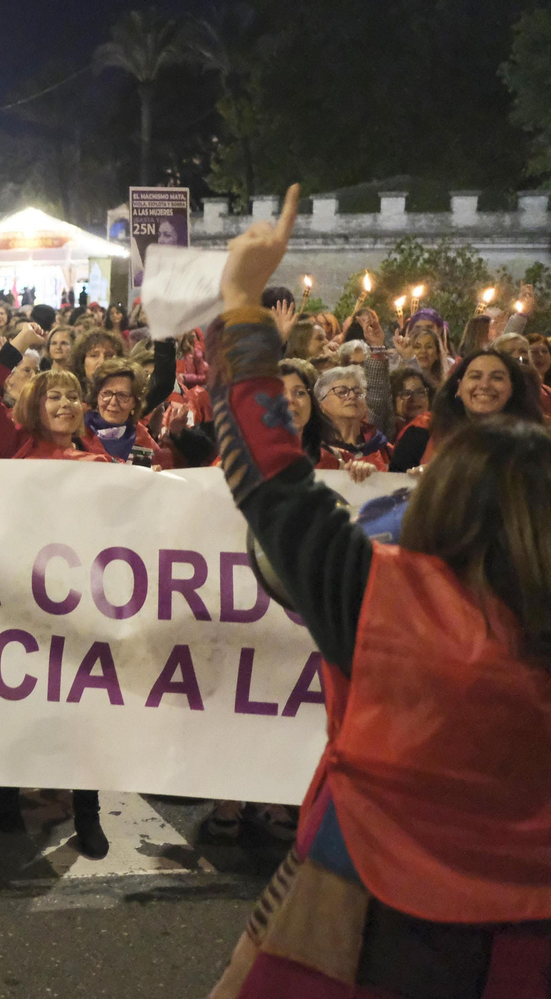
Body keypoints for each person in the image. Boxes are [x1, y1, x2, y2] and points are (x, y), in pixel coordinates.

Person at [206, 182, 551, 999]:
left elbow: (273, 484)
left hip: (365, 913)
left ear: (443, 496)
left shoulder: (385, 599)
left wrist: (243, 304)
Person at [389, 348, 544, 472]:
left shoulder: (533, 443)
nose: (484, 385)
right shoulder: (422, 432)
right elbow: (391, 494)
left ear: (512, 389)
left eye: (497, 378)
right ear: (458, 387)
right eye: (475, 376)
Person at [314, 366, 391, 469]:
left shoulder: (382, 448)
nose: (352, 396)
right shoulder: (314, 449)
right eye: (341, 392)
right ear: (321, 405)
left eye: (358, 392)